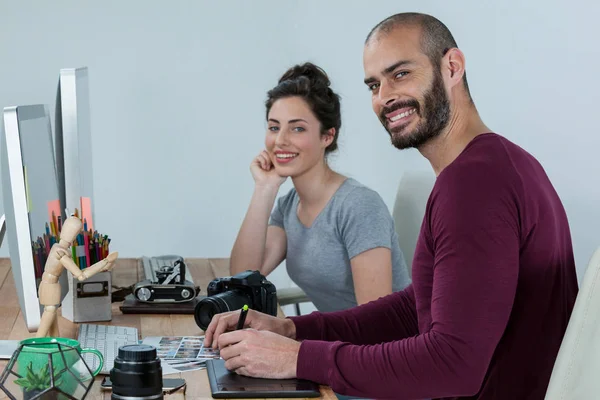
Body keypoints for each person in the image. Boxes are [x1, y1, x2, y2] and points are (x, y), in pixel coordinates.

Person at [205, 12, 579, 400]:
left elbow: (452, 365)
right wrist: (294, 331)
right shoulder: (494, 164)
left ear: (452, 66)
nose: (384, 97)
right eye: (373, 85)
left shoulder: (474, 184)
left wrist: (297, 358)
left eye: (400, 74)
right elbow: (414, 308)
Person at [229, 62, 411, 312]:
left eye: (297, 128)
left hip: (385, 345)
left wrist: (300, 340)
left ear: (327, 136)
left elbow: (374, 321)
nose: (280, 140)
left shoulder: (358, 206)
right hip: (338, 340)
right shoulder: (288, 206)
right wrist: (265, 188)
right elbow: (241, 277)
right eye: (274, 127)